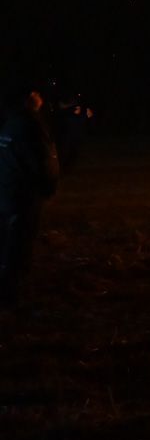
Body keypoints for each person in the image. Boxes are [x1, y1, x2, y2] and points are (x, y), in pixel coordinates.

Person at [0, 80, 61, 309]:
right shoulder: (31, 125)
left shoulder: (10, 123)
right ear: (29, 98)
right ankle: (10, 296)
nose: (40, 97)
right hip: (25, 196)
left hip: (9, 192)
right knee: (19, 244)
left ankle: (8, 287)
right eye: (36, 93)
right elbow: (44, 161)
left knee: (9, 242)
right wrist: (48, 186)